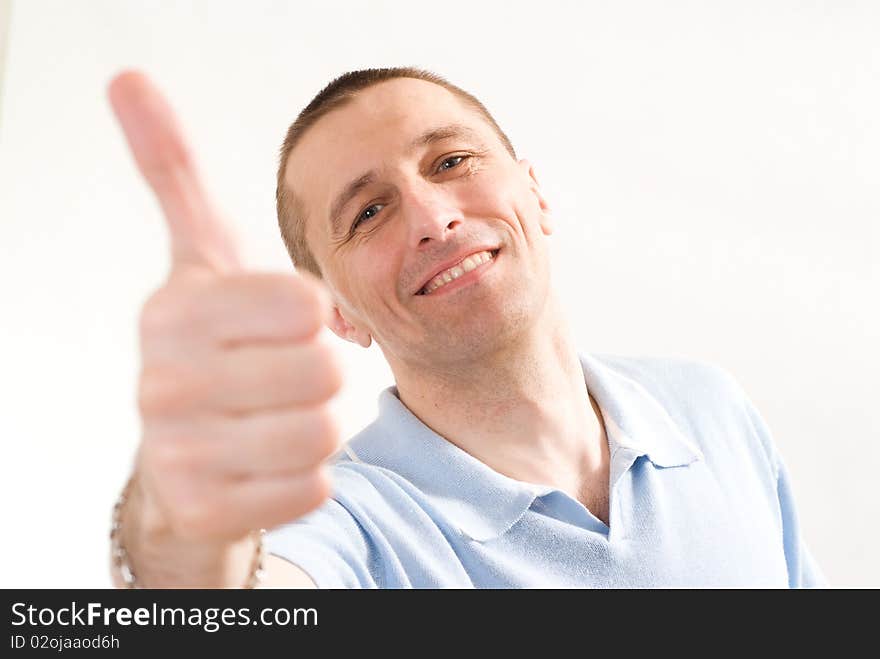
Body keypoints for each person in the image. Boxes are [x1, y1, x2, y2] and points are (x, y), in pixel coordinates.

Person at [107, 67, 826, 588]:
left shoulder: (709, 404)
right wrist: (178, 536)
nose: (432, 217)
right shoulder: (347, 521)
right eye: (368, 212)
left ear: (535, 192)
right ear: (338, 313)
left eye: (451, 161)